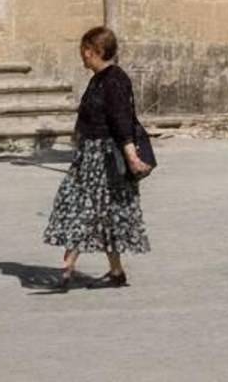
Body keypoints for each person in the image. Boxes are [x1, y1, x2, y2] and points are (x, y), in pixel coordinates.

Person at [43, 26, 151, 289]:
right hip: (88, 158)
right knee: (95, 210)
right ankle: (114, 272)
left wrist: (132, 158)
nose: (83, 54)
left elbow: (121, 121)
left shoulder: (114, 80)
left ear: (98, 51)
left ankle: (69, 265)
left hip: (105, 159)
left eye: (86, 50)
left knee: (89, 209)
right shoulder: (99, 78)